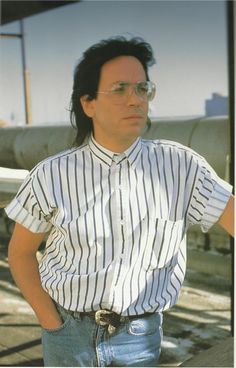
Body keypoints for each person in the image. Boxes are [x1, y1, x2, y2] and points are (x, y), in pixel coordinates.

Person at [5, 36, 234, 367]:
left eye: (143, 89)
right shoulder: (51, 174)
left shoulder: (182, 166)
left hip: (140, 339)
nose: (136, 100)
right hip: (68, 336)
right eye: (121, 89)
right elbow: (21, 253)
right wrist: (50, 321)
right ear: (88, 103)